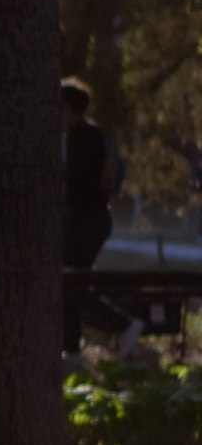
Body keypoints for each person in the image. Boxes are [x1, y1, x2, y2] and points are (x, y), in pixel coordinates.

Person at [61, 78, 142, 362]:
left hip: (88, 220)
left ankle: (122, 324)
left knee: (71, 280)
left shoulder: (83, 137)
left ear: (68, 106)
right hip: (91, 219)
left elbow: (78, 184)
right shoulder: (86, 135)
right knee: (69, 280)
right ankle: (71, 349)